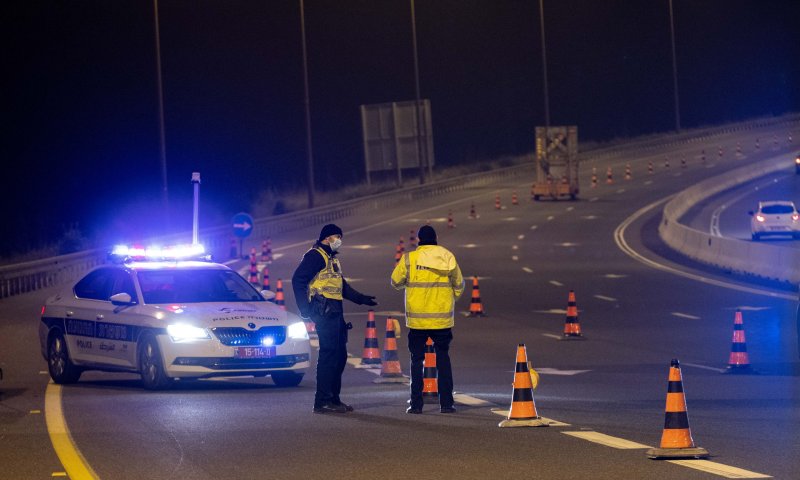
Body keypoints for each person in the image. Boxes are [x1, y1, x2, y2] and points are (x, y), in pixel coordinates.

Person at [292, 224, 377, 414]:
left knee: (339, 356)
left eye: (340, 236)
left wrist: (361, 299)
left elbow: (342, 287)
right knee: (329, 355)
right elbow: (298, 279)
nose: (339, 240)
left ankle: (334, 399)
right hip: (323, 310)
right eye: (336, 236)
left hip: (335, 311)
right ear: (326, 238)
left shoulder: (332, 259)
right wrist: (304, 309)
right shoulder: (315, 256)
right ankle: (322, 401)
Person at [391, 225, 464, 414]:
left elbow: (395, 281)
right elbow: (459, 283)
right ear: (436, 238)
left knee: (416, 361)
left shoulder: (409, 258)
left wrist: (409, 285)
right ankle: (447, 404)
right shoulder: (447, 256)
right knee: (443, 360)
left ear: (419, 240)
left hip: (417, 320)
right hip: (441, 319)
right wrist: (450, 298)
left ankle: (416, 405)